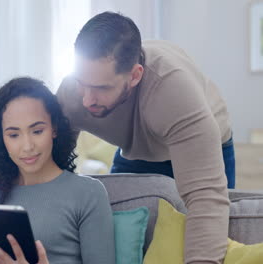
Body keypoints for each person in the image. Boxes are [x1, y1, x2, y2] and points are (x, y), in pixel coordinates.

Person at [56, 11, 233, 264]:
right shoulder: (70, 94)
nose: (87, 99)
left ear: (135, 75)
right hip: (135, 149)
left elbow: (206, 198)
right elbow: (49, 168)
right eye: (82, 83)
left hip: (204, 142)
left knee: (214, 235)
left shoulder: (172, 90)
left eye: (102, 88)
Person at [0, 77, 115, 264]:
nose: (27, 146)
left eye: (37, 131)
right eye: (14, 135)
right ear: (1, 138)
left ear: (54, 128)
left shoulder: (88, 193)